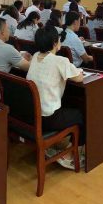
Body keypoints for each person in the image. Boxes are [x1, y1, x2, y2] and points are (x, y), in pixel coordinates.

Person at [26, 25, 85, 170]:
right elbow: (78, 78)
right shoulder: (60, 61)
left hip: (32, 115)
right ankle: (69, 155)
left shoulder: (35, 56)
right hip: (49, 118)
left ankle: (58, 147)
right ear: (54, 42)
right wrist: (79, 71)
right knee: (81, 114)